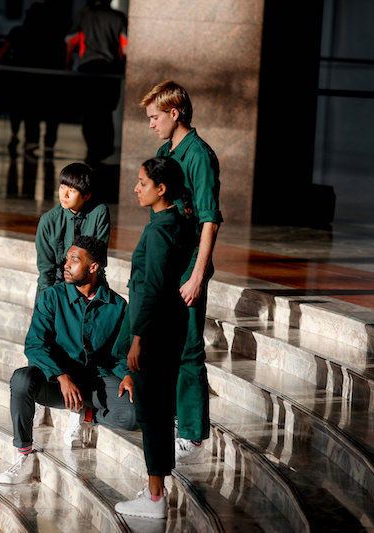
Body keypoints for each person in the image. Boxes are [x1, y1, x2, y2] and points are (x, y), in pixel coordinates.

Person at [0, 235, 136, 484]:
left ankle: (85, 414)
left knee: (132, 415)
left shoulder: (117, 306)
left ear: (93, 267)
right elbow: (35, 345)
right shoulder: (52, 297)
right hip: (57, 383)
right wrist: (61, 376)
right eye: (67, 259)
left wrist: (128, 373)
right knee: (21, 379)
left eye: (74, 260)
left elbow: (119, 353)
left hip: (94, 382)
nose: (66, 265)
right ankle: (24, 454)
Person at [139, 81, 223, 464]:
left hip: (188, 265)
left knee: (189, 348)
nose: (151, 124)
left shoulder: (199, 156)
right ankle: (175, 418)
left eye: (155, 117)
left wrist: (196, 276)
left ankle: (192, 433)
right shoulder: (163, 151)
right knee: (166, 347)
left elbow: (209, 220)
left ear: (175, 113)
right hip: (167, 261)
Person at [113, 158, 195, 519]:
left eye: (142, 182)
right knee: (158, 411)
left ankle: (155, 496)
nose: (136, 187)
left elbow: (152, 289)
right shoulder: (177, 222)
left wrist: (138, 337)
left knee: (152, 414)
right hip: (170, 327)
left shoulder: (160, 230)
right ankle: (156, 491)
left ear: (161, 189)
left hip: (155, 332)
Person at [0, 2, 66, 156]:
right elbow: (61, 59)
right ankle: (46, 145)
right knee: (45, 114)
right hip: (45, 81)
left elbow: (0, 57)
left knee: (24, 111)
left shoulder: (18, 32)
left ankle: (24, 139)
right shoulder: (52, 36)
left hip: (21, 80)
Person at [35, 162, 110, 301]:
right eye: (62, 187)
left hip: (90, 279)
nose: (64, 194)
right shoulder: (48, 220)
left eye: (72, 190)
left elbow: (99, 257)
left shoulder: (99, 212)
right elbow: (46, 270)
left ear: (86, 196)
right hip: (59, 280)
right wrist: (44, 301)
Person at [65, 0, 128, 166]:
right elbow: (125, 47)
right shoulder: (118, 17)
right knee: (105, 111)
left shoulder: (86, 14)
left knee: (89, 112)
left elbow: (71, 40)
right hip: (110, 70)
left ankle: (93, 149)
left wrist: (68, 61)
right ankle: (103, 149)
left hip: (89, 67)